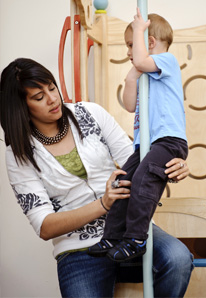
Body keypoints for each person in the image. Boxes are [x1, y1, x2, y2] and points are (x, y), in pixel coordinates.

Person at [0, 57, 193, 298]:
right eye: (38, 97)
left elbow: (137, 162)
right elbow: (44, 226)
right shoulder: (19, 154)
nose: (52, 99)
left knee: (178, 259)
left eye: (51, 87)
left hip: (131, 231)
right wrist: (103, 204)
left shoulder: (90, 113)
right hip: (78, 250)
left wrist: (171, 166)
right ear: (21, 107)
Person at [88, 9, 188, 263]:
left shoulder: (167, 60)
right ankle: (113, 235)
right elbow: (130, 104)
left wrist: (139, 31)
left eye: (131, 45)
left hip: (168, 141)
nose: (128, 52)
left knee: (144, 178)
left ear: (150, 42)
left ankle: (136, 238)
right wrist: (132, 74)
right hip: (146, 144)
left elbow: (143, 61)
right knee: (123, 182)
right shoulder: (145, 74)